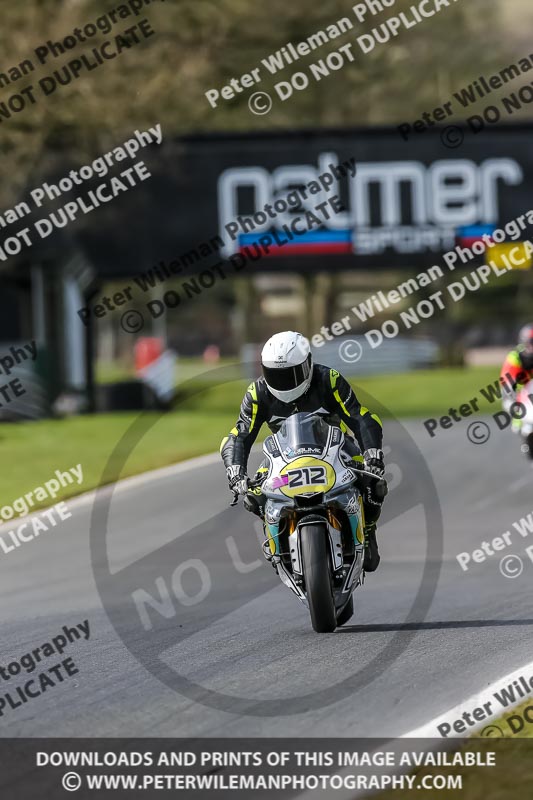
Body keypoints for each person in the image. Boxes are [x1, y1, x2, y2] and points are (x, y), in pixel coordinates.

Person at [220, 331, 386, 572]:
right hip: (284, 459)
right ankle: (274, 537)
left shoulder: (328, 379)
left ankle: (368, 531)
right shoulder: (257, 393)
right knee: (253, 496)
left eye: (290, 374)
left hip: (335, 450)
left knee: (374, 484)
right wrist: (236, 471)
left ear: (307, 363)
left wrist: (372, 453)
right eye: (275, 375)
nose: (283, 382)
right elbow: (239, 434)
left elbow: (360, 418)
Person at [500, 324, 533, 434]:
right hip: (519, 395)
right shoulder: (515, 357)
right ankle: (520, 420)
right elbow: (508, 386)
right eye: (531, 342)